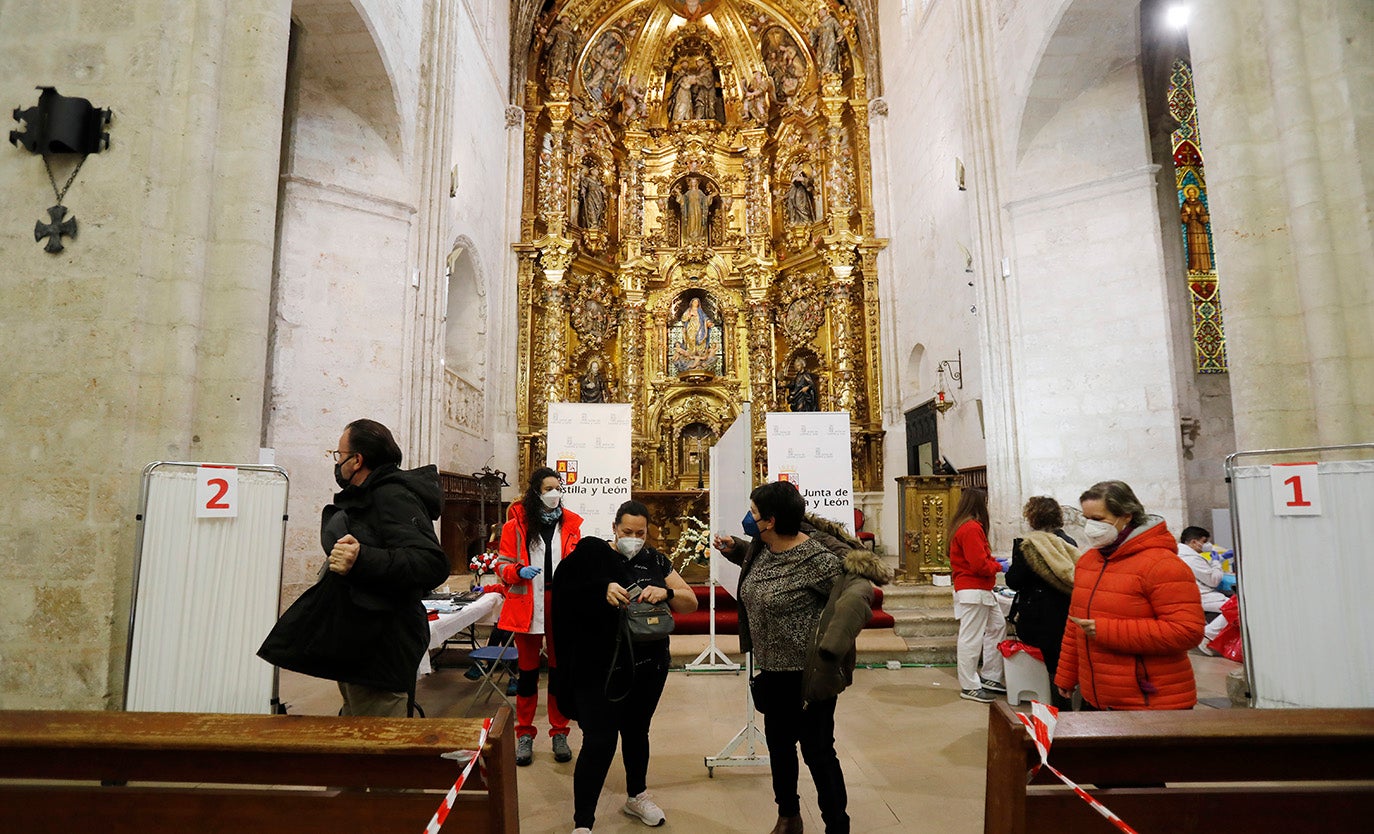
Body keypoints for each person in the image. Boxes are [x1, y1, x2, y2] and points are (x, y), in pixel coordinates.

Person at [712, 481, 891, 834]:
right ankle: (788, 815)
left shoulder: (818, 561)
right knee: (779, 748)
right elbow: (769, 575)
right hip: (771, 671)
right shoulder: (763, 548)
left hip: (806, 674)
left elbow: (856, 592)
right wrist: (737, 549)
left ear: (770, 521)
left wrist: (835, 643)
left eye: (754, 513)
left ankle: (836, 825)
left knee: (819, 753)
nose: (749, 517)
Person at [551, 500, 698, 833]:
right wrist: (600, 590)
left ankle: (637, 795)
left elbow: (690, 601)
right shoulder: (592, 557)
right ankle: (583, 823)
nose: (634, 537)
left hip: (649, 665)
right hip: (601, 668)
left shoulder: (655, 560)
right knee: (599, 740)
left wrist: (666, 593)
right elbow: (565, 593)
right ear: (614, 528)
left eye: (640, 533)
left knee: (636, 732)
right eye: (627, 531)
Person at [323, 419, 451, 716]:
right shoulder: (370, 494)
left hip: (380, 647)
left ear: (357, 461)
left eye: (339, 455)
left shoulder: (391, 495)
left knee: (379, 749)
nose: (337, 462)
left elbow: (431, 562)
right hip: (360, 642)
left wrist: (362, 558)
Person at [1055, 481, 1205, 710]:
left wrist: (1106, 631)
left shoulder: (1162, 564)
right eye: (1086, 519)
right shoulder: (1088, 561)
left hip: (1150, 701)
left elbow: (1187, 631)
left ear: (1126, 516)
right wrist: (1067, 674)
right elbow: (1075, 622)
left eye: (1098, 519)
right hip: (1098, 697)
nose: (1090, 527)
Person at [494, 467, 584, 765]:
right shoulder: (515, 524)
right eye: (548, 488)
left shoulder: (570, 524)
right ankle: (524, 734)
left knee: (559, 671)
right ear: (535, 492)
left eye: (558, 488)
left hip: (561, 603)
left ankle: (559, 732)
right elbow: (502, 565)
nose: (554, 493)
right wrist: (517, 571)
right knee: (528, 673)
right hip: (527, 603)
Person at [1004, 496, 1079, 708]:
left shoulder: (1029, 545)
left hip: (1038, 615)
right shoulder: (1069, 542)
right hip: (1066, 611)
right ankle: (1064, 703)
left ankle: (1049, 706)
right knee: (1062, 660)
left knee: (1046, 663)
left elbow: (1014, 581)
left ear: (1032, 518)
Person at [947, 488, 1007, 703]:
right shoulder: (971, 528)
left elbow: (979, 558)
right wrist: (998, 567)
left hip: (980, 589)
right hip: (974, 589)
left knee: (997, 627)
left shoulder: (965, 526)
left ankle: (990, 676)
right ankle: (969, 685)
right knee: (970, 638)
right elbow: (979, 565)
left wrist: (994, 562)